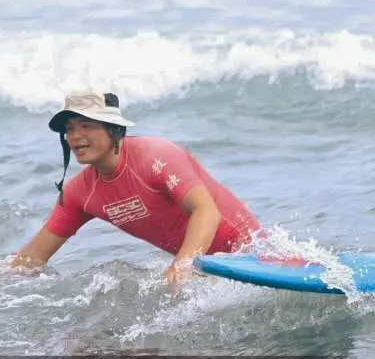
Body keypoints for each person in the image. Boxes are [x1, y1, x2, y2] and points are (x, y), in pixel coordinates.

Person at [13, 91, 261, 288]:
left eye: (86, 125)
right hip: (207, 272)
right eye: (69, 129)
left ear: (114, 129)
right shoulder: (79, 193)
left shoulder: (156, 157)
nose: (75, 136)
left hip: (253, 256)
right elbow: (32, 258)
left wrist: (183, 265)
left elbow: (206, 211)